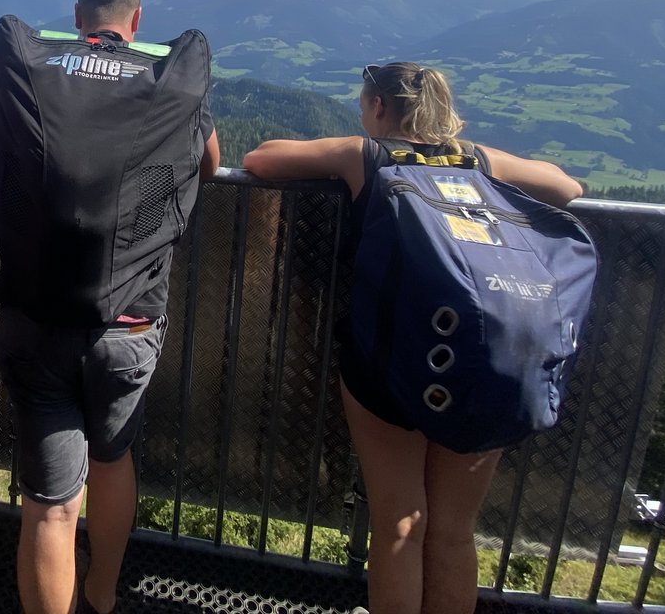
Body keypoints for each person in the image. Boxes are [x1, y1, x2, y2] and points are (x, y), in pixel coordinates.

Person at [242, 62, 583, 614]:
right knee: (453, 530)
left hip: (390, 363)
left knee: (400, 519)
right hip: (485, 355)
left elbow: (261, 159)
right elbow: (567, 187)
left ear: (379, 106)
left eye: (363, 103)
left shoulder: (367, 156)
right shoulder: (477, 160)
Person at [0, 0, 220, 614]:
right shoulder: (167, 82)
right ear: (136, 18)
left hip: (36, 318)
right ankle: (103, 593)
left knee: (50, 504)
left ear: (77, 14)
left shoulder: (37, 71)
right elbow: (208, 161)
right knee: (113, 459)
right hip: (130, 323)